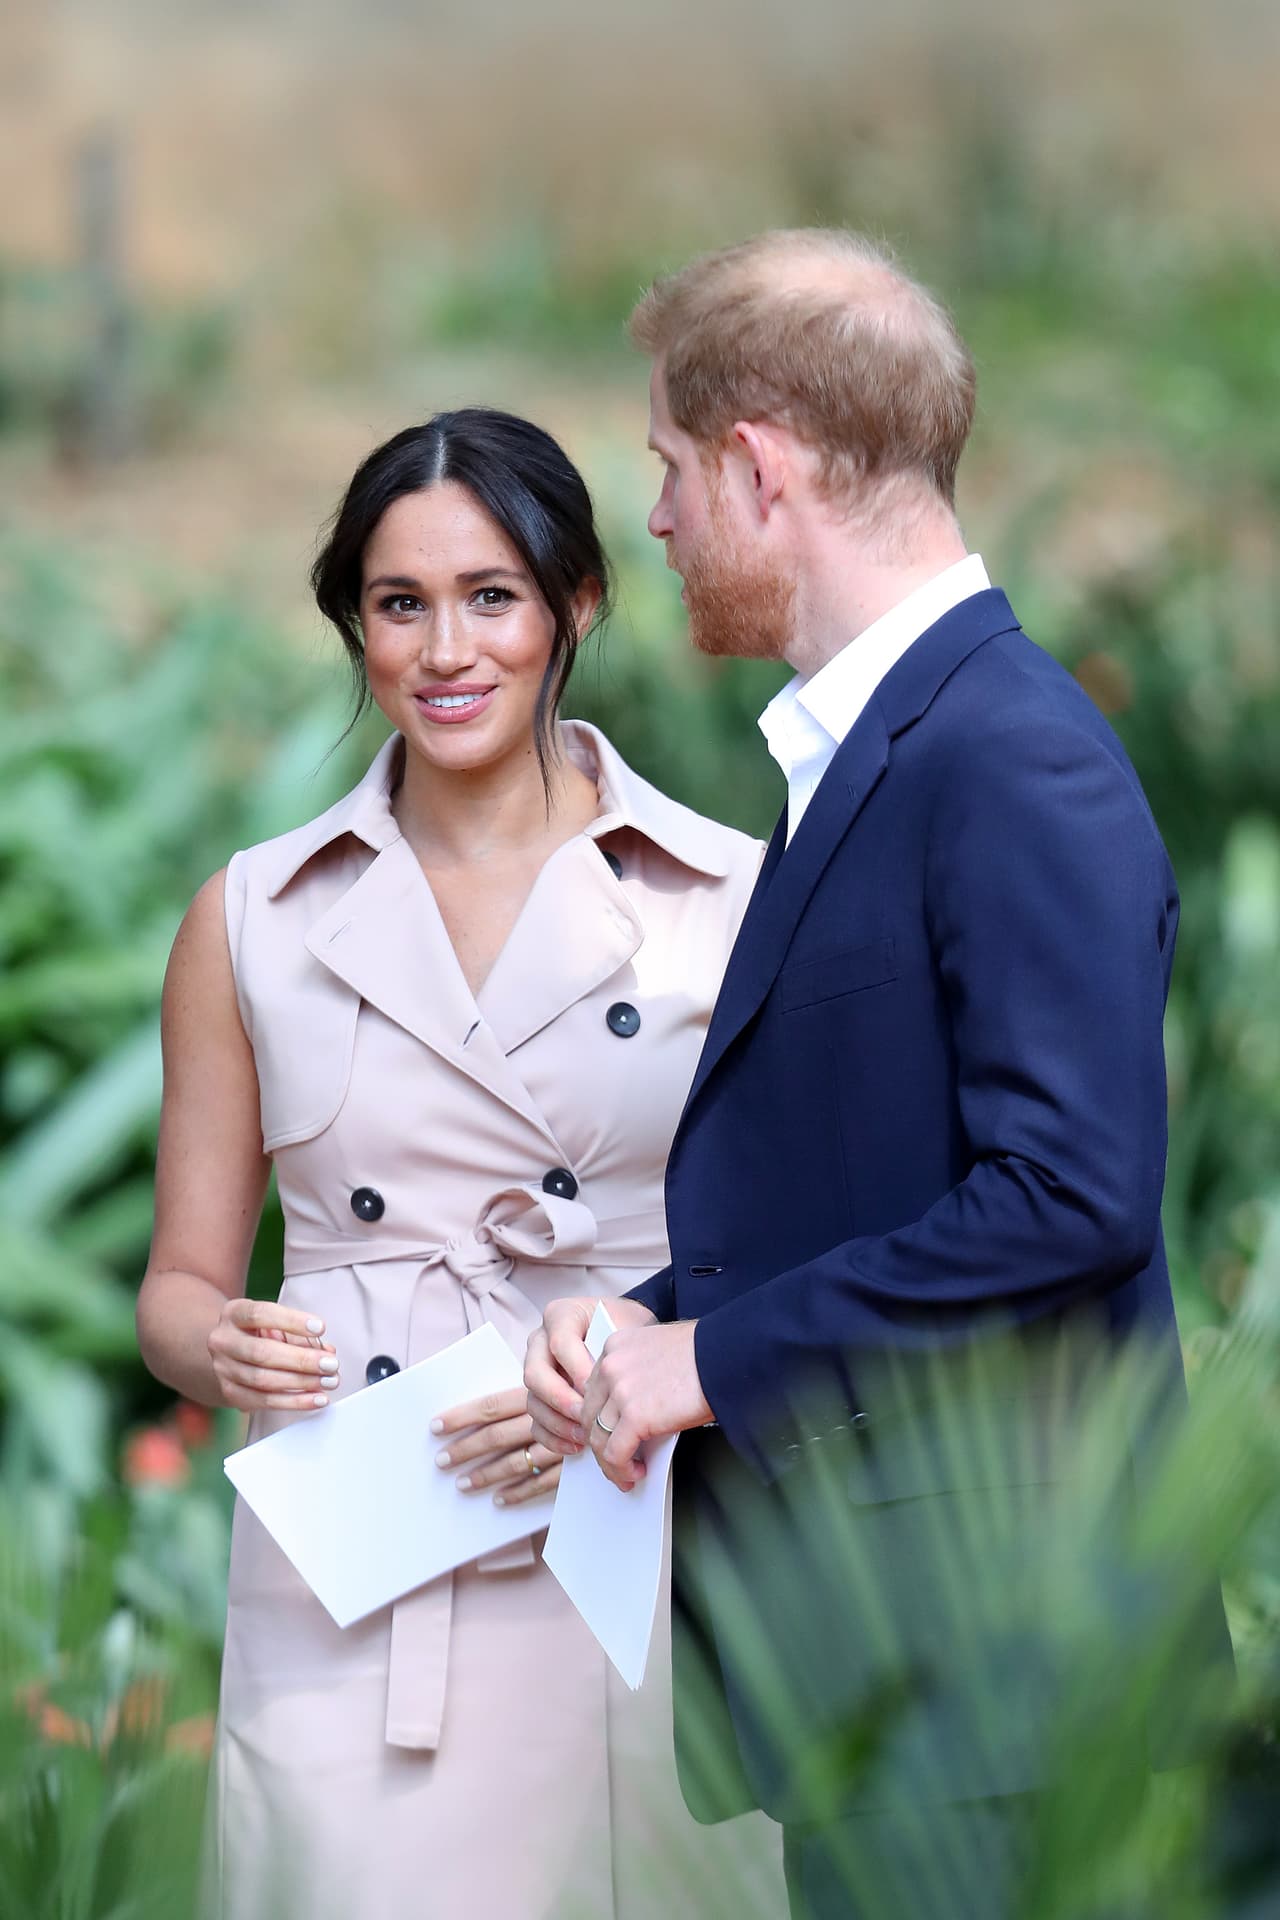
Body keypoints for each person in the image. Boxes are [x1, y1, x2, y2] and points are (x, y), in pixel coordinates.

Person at [526, 231, 1231, 1919]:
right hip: (906, 1683)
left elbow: (1072, 1198)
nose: (663, 522)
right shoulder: (880, 752)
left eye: (672, 471)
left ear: (761, 467)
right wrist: (647, 1310)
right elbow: (881, 1168)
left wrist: (717, 1359)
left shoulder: (1011, 754)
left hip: (1006, 1687)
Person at [136, 408, 784, 1920]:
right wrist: (221, 1343)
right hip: (363, 1563)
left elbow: (800, 1256)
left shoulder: (729, 896)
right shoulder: (252, 920)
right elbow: (175, 1289)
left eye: (491, 596)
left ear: (578, 604)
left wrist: (636, 1356)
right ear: (352, 625)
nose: (445, 650)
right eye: (397, 603)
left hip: (640, 1527)